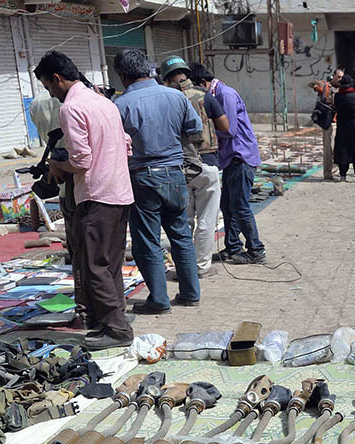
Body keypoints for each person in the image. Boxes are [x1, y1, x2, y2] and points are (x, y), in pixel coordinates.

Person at [34, 50, 134, 350]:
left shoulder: (72, 107)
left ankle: (116, 330)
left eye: (49, 87)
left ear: (57, 78)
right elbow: (126, 145)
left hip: (97, 195)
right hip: (119, 192)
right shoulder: (103, 102)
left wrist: (56, 166)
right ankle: (114, 319)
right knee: (110, 263)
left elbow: (81, 162)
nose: (51, 95)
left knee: (94, 265)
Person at [112, 48, 202, 315]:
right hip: (174, 173)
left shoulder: (120, 105)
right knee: (181, 235)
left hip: (143, 176)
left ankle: (160, 300)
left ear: (122, 75)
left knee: (147, 240)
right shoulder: (175, 96)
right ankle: (190, 293)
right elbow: (194, 131)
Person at [195, 64, 266, 265]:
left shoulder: (225, 95)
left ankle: (256, 249)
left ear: (203, 83)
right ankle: (233, 247)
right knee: (227, 205)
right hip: (231, 159)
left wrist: (205, 135)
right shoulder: (217, 95)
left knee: (240, 205)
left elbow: (229, 130)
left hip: (241, 156)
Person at [160, 57, 219, 278]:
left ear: (166, 77)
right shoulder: (204, 95)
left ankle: (184, 268)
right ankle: (202, 267)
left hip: (179, 166)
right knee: (206, 218)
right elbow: (224, 124)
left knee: (183, 220)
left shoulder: (165, 99)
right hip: (206, 163)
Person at [333, 76, 355, 182]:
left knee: (343, 149)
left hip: (342, 125)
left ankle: (343, 175)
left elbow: (336, 107)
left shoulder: (337, 96)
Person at [312, 73, 337, 180]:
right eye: (338, 77)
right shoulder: (327, 88)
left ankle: (334, 170)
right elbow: (312, 85)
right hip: (330, 122)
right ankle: (328, 173)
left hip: (334, 122)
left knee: (334, 148)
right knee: (329, 148)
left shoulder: (333, 88)